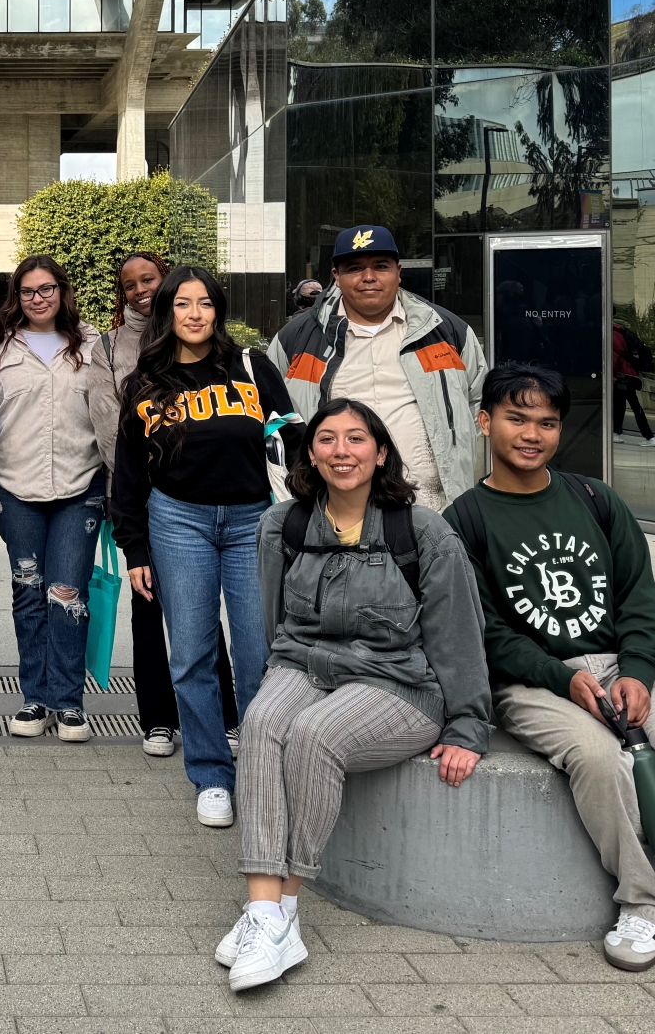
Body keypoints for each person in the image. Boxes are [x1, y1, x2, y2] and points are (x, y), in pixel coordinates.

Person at [448, 362, 655, 973]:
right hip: (530, 681)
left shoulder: (595, 499)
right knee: (602, 759)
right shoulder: (465, 520)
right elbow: (485, 631)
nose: (532, 434)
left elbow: (640, 600)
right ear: (484, 421)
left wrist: (635, 668)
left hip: (617, 663)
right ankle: (642, 904)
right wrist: (562, 678)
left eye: (547, 422)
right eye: (516, 418)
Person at [218, 397, 490, 992]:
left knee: (315, 736)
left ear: (381, 451)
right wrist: (280, 684)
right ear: (310, 453)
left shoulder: (420, 530)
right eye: (327, 440)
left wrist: (469, 724)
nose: (341, 452)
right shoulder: (283, 523)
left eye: (356, 439)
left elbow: (458, 634)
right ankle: (267, 913)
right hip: (306, 665)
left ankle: (283, 908)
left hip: (397, 684)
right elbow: (272, 625)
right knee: (262, 722)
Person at [111, 265, 298, 829]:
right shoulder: (146, 381)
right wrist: (134, 548)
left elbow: (292, 439)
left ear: (218, 310)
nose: (195, 314)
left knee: (257, 654)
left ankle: (263, 768)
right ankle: (212, 773)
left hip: (250, 521)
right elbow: (129, 472)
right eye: (183, 304)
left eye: (206, 303)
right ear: (167, 312)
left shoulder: (251, 367)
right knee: (192, 654)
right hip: (177, 520)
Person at [267, 224, 487, 516]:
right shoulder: (296, 338)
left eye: (380, 266)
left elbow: (480, 409)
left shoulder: (447, 332)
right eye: (355, 268)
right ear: (336, 277)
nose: (368, 277)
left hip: (432, 508)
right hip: (333, 511)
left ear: (398, 272)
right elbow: (273, 416)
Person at [0, 253, 108, 744]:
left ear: (62, 290)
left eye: (47, 289)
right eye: (29, 291)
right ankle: (35, 697)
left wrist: (115, 484)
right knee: (29, 594)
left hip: (82, 485)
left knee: (67, 595)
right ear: (17, 295)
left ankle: (69, 703)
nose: (38, 299)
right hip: (15, 486)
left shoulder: (94, 344)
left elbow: (107, 416)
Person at [90, 251, 196, 759]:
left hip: (197, 495)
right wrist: (148, 473)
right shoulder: (109, 347)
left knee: (198, 606)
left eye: (148, 279)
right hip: (137, 495)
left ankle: (222, 714)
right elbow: (109, 426)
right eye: (129, 284)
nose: (139, 290)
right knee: (147, 603)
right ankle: (157, 718)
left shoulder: (196, 330)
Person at [612, 319, 655, 448]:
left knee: (633, 405)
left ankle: (650, 437)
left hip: (623, 374)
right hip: (627, 373)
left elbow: (615, 355)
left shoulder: (613, 333)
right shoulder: (621, 330)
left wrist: (612, 373)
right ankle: (616, 433)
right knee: (621, 404)